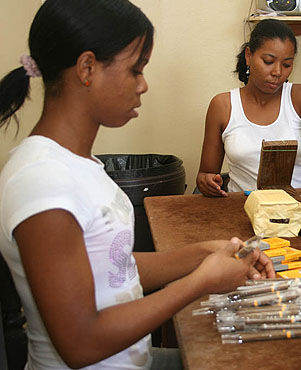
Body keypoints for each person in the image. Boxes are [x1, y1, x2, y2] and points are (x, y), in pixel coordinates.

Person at [0, 1, 274, 369]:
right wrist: (200, 282)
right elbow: (80, 344)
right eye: (136, 70)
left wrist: (206, 252)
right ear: (87, 69)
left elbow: (110, 269)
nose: (143, 85)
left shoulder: (76, 164)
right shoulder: (42, 182)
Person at [196, 19, 301, 200]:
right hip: (242, 210)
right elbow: (205, 174)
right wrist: (207, 182)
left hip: (299, 208)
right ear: (248, 55)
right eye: (268, 61)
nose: (278, 72)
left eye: (287, 65)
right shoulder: (223, 105)